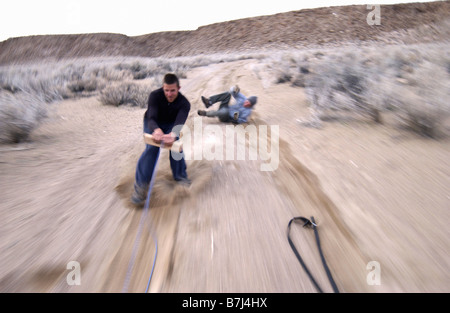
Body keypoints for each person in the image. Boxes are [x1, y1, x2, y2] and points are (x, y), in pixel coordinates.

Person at [132, 73, 191, 206]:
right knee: (152, 149)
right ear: (163, 88)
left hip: (171, 124)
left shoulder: (184, 103)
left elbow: (179, 123)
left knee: (176, 147)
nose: (169, 94)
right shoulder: (154, 96)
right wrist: (156, 130)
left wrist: (173, 135)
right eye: (166, 90)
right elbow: (151, 117)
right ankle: (141, 187)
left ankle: (180, 176)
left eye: (172, 90)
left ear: (179, 88)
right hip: (153, 123)